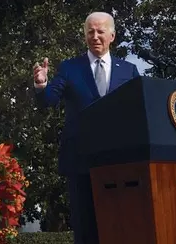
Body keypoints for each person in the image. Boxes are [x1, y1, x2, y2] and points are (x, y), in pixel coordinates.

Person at [33, 12, 139, 244]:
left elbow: (138, 112)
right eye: (90, 31)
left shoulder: (128, 70)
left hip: (119, 160)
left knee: (121, 224)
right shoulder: (70, 67)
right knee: (86, 228)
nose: (95, 36)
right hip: (81, 160)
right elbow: (48, 100)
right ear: (84, 36)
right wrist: (41, 85)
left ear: (112, 35)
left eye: (100, 31)